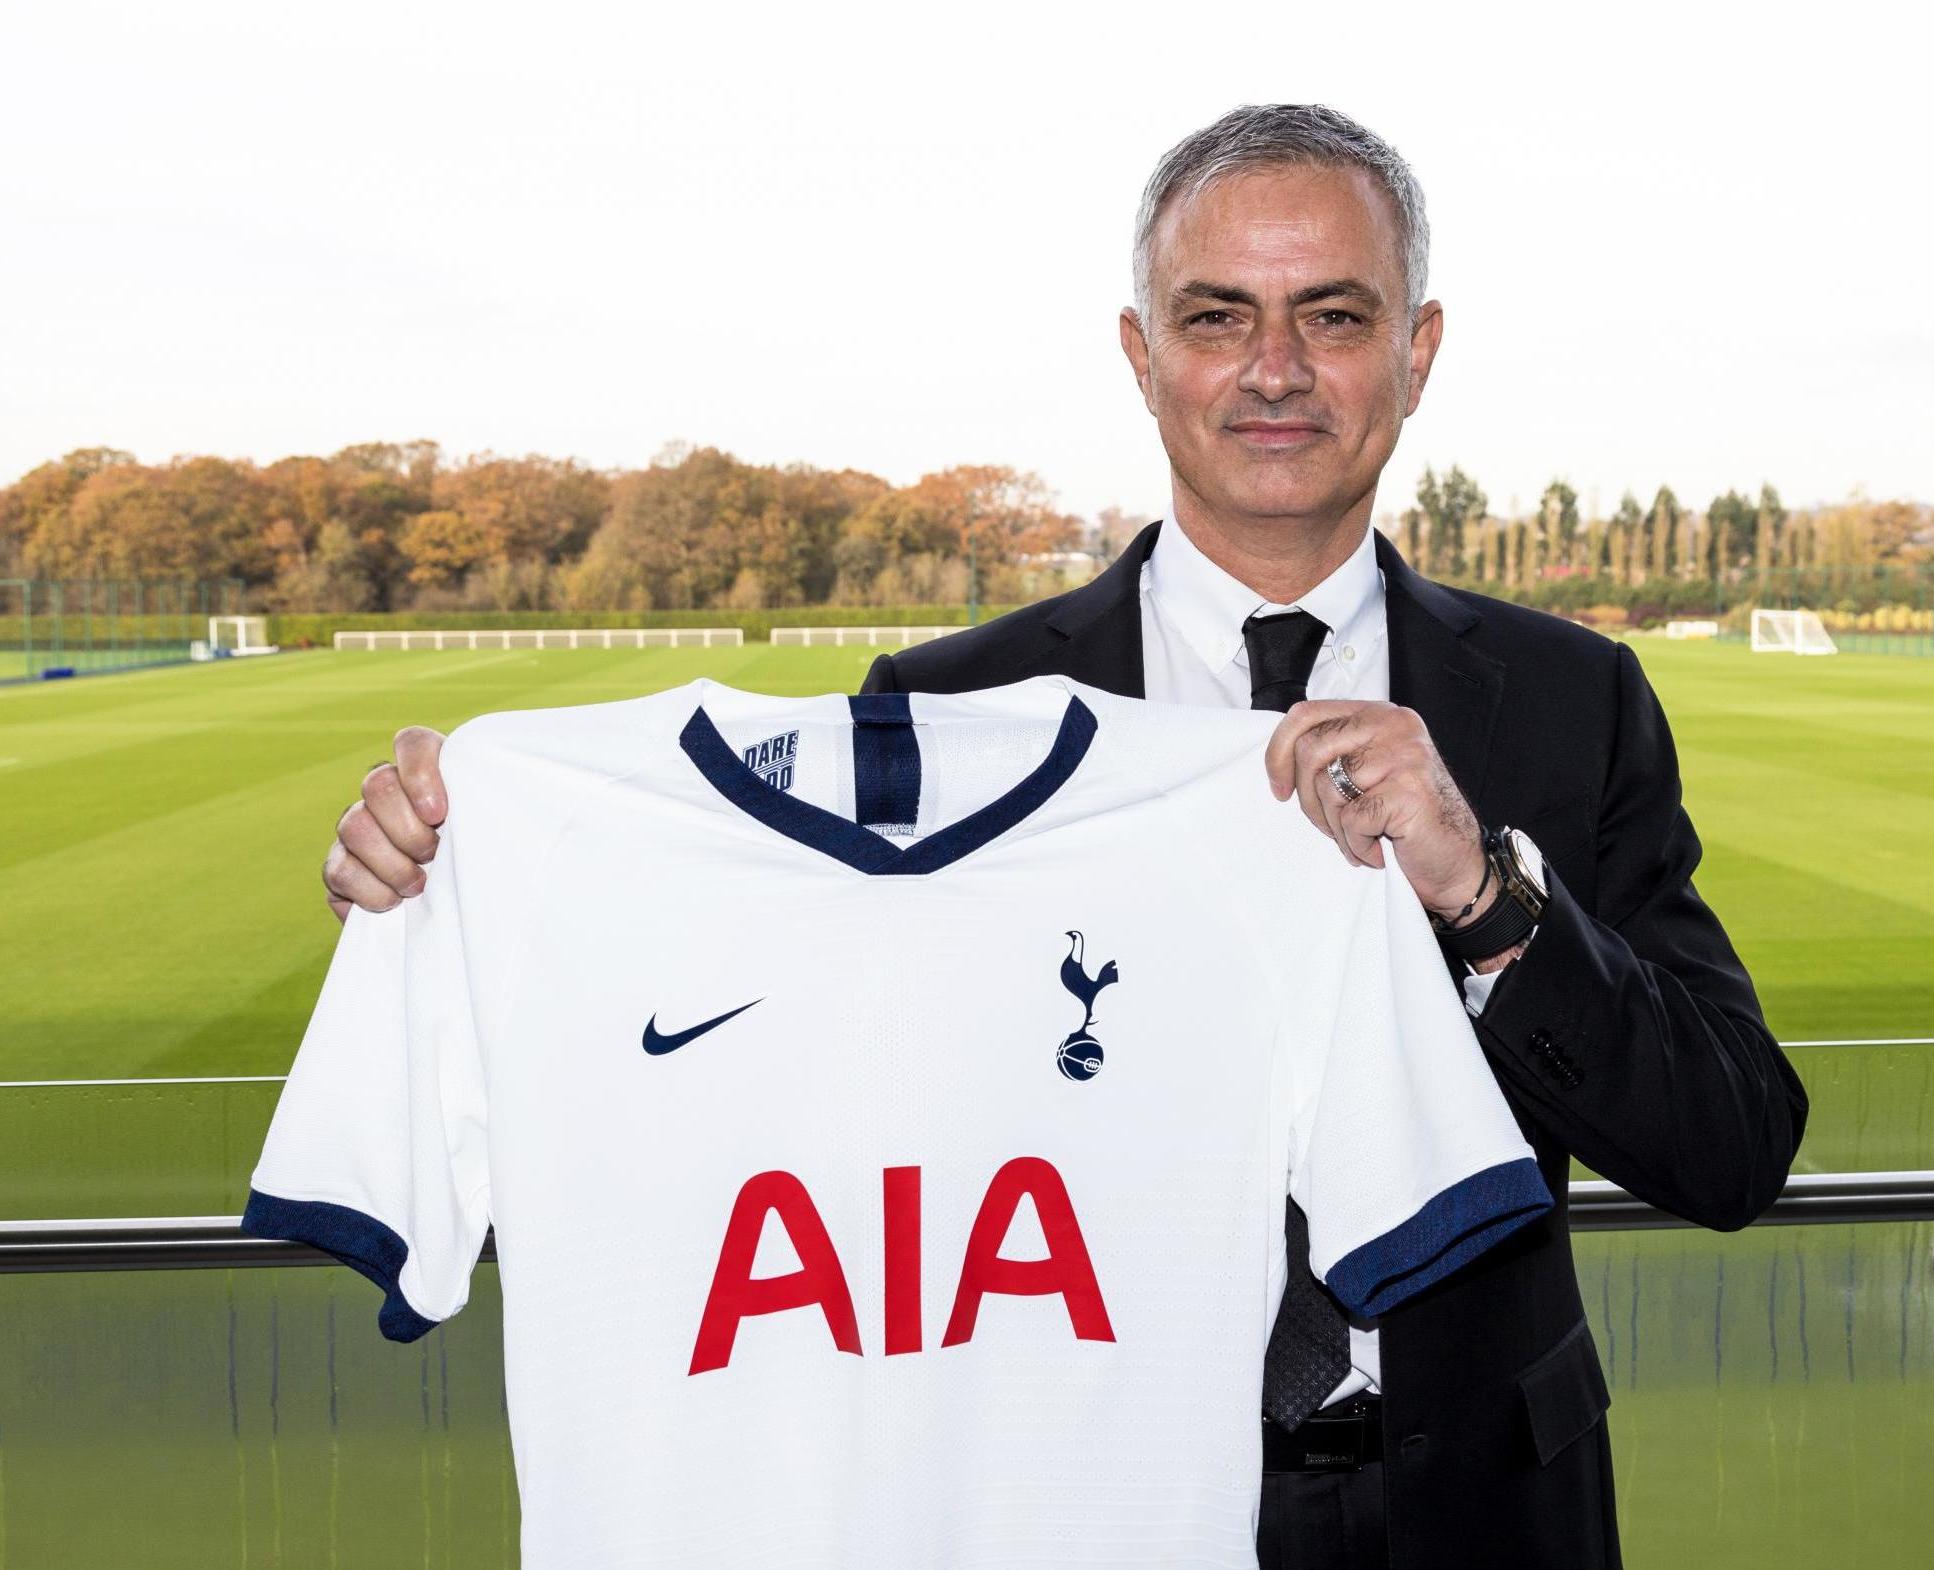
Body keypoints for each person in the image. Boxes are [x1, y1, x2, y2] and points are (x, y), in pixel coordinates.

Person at [322, 104, 1807, 1570]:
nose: (1273, 368)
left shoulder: (1567, 697)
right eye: (1216, 315)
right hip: (1063, 1512)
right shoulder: (943, 707)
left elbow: (1730, 1142)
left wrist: (1485, 895)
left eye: (1333, 316)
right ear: (1139, 353)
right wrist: (454, 890)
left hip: (1481, 1513)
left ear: (1415, 351)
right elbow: (790, 1066)